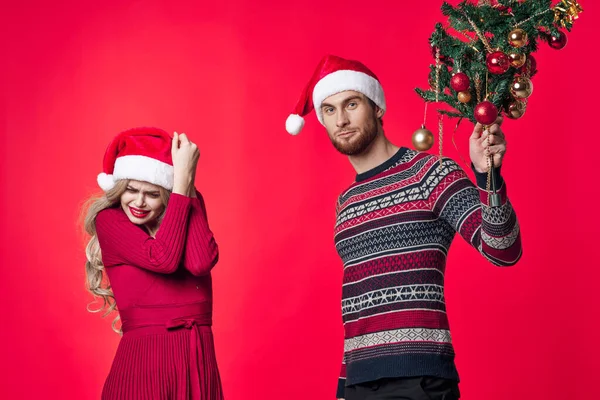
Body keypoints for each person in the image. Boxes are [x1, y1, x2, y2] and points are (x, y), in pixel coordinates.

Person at [285, 55, 522, 400]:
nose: (342, 119)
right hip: (358, 383)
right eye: (330, 110)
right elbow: (359, 308)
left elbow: (503, 249)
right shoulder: (346, 202)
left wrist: (487, 174)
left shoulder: (430, 173)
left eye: (351, 104)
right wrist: (342, 389)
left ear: (377, 107)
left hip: (420, 379)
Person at [82, 127, 223, 400]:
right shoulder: (110, 220)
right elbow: (164, 259)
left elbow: (200, 263)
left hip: (196, 357)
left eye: (153, 194)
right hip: (143, 366)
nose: (139, 202)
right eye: (131, 190)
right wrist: (182, 185)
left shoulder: (187, 201)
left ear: (169, 193)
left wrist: (186, 186)